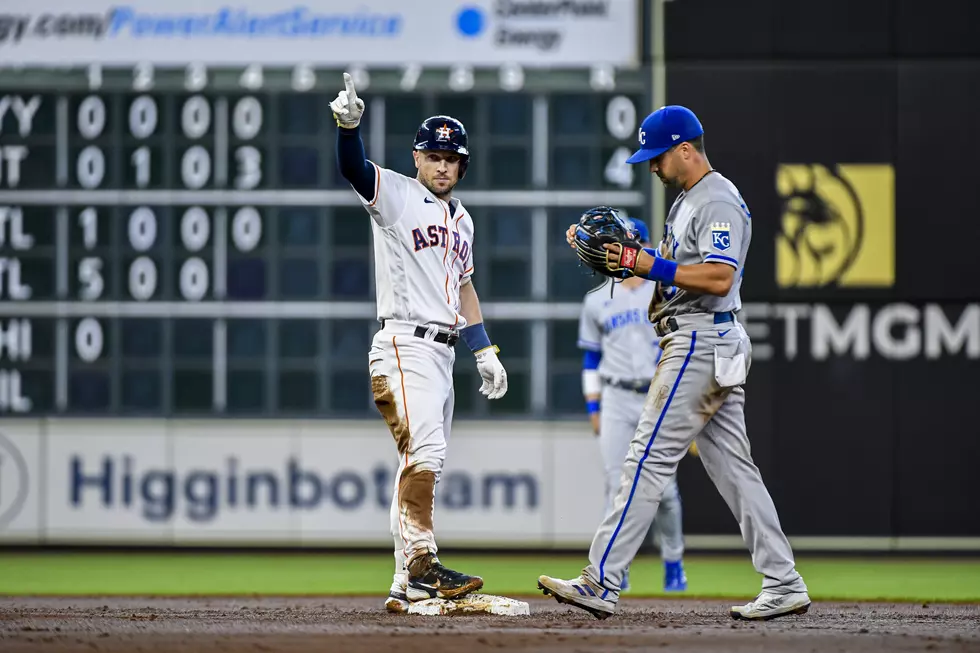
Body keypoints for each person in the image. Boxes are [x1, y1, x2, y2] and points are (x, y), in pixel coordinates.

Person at [539, 105, 810, 621]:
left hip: (699, 342)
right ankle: (783, 581)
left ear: (685, 149)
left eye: (657, 157)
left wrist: (645, 262)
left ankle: (601, 580)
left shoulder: (716, 199)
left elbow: (718, 278)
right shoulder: (688, 200)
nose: (652, 167)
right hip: (704, 341)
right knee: (735, 470)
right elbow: (667, 270)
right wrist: (626, 256)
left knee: (644, 459)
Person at [330, 73, 509, 613]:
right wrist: (348, 128)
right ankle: (424, 565)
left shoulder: (463, 219)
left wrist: (484, 350)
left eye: (452, 159)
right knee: (425, 453)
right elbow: (355, 170)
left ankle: (403, 583)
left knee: (418, 459)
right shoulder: (400, 197)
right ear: (417, 158)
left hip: (445, 350)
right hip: (404, 344)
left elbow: (464, 286)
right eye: (434, 156)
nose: (443, 166)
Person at [577, 214, 688, 593]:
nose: (618, 250)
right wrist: (594, 408)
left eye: (627, 242)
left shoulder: (663, 288)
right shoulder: (596, 299)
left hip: (657, 393)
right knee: (614, 487)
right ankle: (616, 568)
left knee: (665, 491)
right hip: (615, 396)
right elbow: (590, 358)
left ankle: (673, 560)